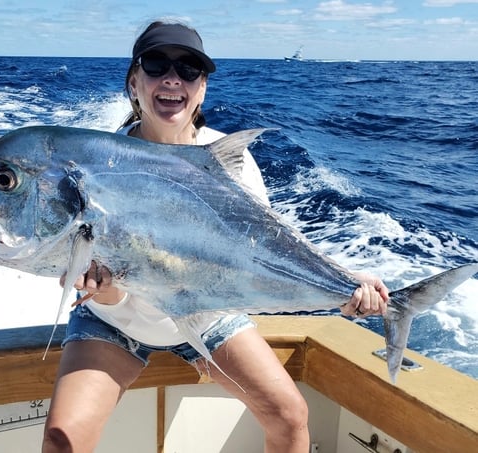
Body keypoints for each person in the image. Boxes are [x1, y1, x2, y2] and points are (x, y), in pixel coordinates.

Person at [42, 21, 389, 453]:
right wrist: (104, 291)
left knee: (291, 417)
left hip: (206, 317)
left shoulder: (231, 160)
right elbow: (112, 295)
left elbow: (267, 249)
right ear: (134, 83)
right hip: (114, 322)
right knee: (62, 441)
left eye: (189, 69)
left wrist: (344, 282)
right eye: (156, 64)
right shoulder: (101, 164)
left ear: (202, 89)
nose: (172, 77)